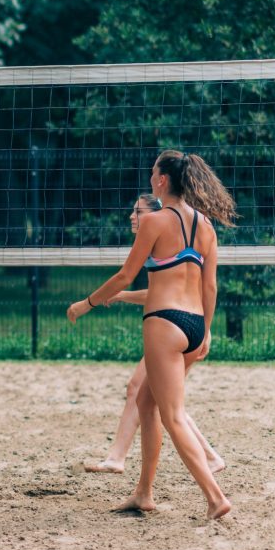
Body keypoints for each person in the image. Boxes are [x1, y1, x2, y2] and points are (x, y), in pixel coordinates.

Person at [68, 150, 236, 519]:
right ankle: (143, 493)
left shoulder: (155, 221)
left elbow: (125, 276)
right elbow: (210, 287)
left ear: (162, 181)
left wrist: (87, 303)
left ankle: (215, 497)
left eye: (152, 174)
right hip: (193, 325)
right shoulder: (205, 226)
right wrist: (206, 330)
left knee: (173, 416)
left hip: (164, 322)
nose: (149, 179)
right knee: (147, 403)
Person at [83, 194, 224, 475]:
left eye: (138, 211)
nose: (132, 216)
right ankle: (118, 459)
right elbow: (157, 293)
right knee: (143, 392)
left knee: (162, 403)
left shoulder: (165, 233)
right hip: (187, 325)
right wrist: (122, 296)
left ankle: (209, 467)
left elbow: (173, 294)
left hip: (177, 328)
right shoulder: (165, 239)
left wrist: (89, 303)